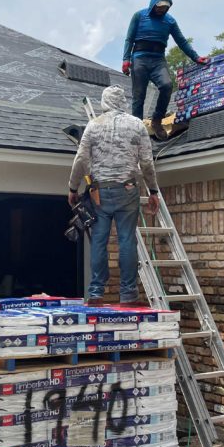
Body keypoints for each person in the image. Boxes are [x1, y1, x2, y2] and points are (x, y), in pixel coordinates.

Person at [67, 85, 160, 307]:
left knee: (99, 240)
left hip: (100, 191)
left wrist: (72, 188)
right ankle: (128, 294)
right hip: (127, 189)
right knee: (127, 239)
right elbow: (147, 161)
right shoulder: (136, 125)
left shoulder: (94, 125)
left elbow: (81, 158)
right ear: (123, 102)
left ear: (104, 102)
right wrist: (153, 190)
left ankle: (96, 293)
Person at [122, 0, 208, 140]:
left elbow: (181, 41)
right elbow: (129, 39)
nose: (163, 10)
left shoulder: (170, 21)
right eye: (160, 6)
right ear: (154, 3)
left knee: (167, 85)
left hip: (158, 60)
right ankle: (136, 129)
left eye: (166, 7)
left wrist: (195, 57)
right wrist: (126, 59)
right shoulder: (139, 16)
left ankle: (157, 120)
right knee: (139, 95)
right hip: (140, 58)